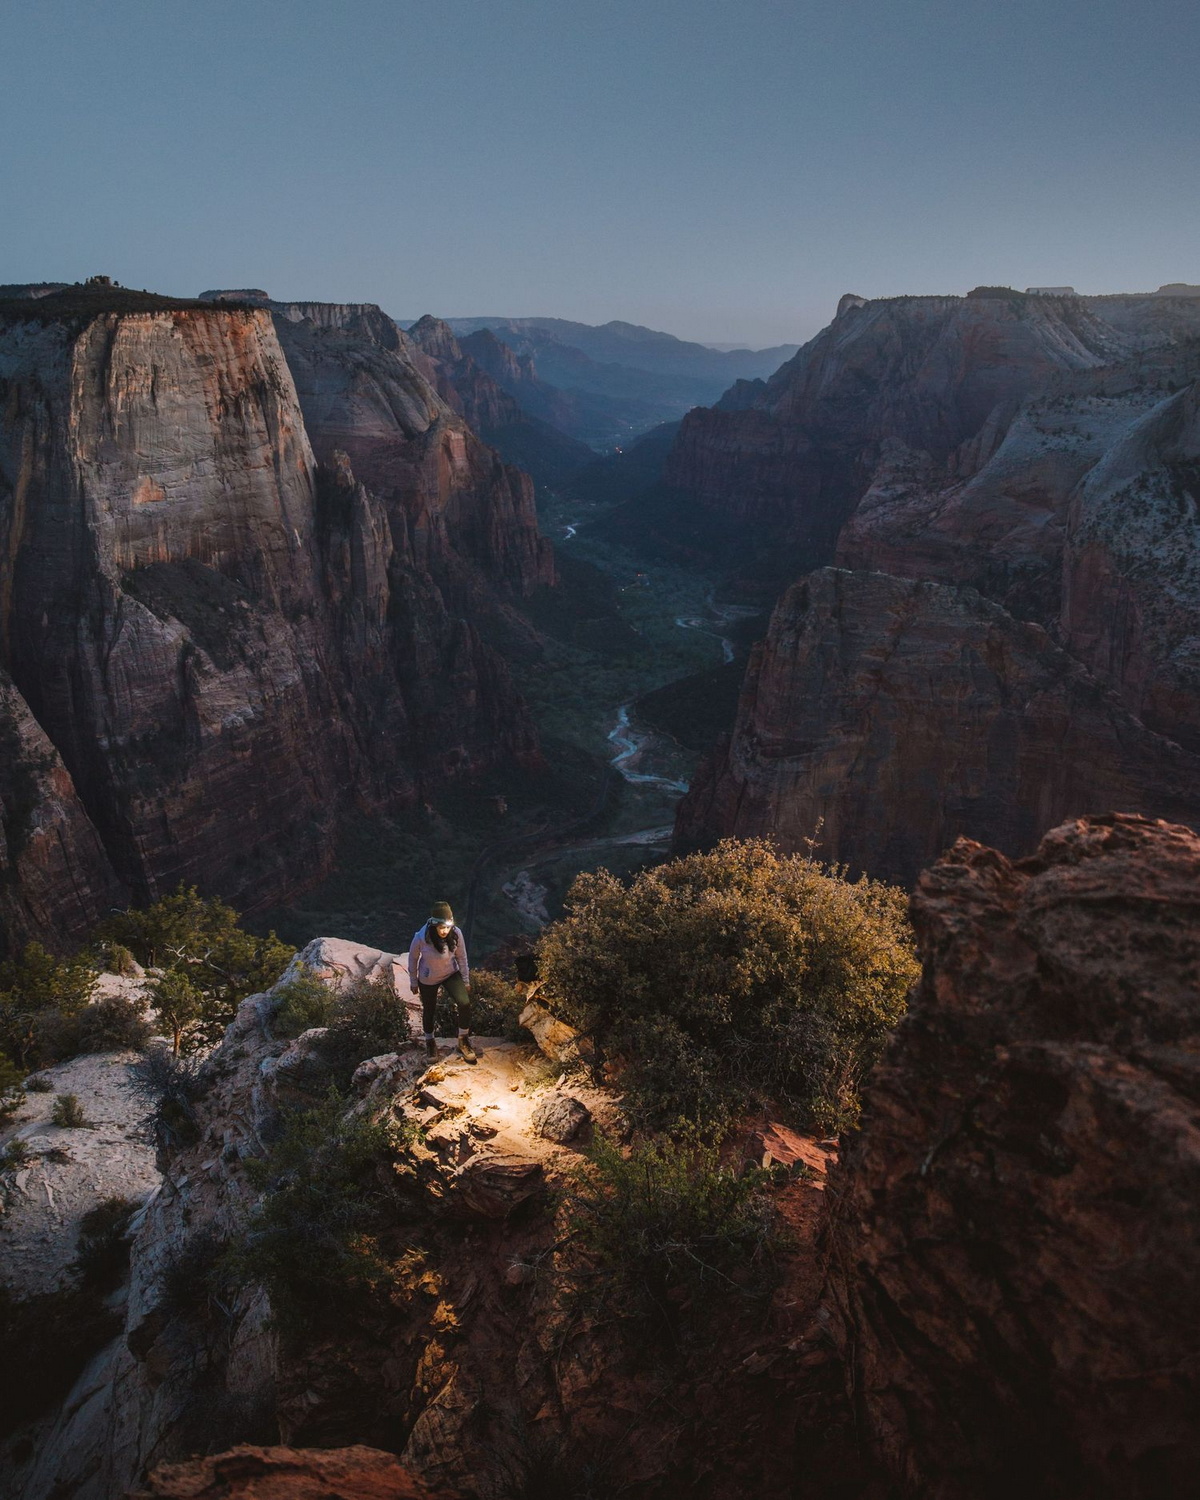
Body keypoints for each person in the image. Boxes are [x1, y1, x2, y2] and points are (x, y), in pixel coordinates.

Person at [409, 902, 476, 1064]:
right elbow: (413, 958)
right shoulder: (421, 938)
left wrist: (466, 980)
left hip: (450, 973)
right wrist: (413, 981)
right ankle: (430, 1041)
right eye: (441, 928)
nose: (445, 931)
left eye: (447, 927)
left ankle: (463, 1039)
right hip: (429, 977)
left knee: (464, 1003)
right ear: (433, 925)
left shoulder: (456, 934)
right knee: (429, 1010)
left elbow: (462, 957)